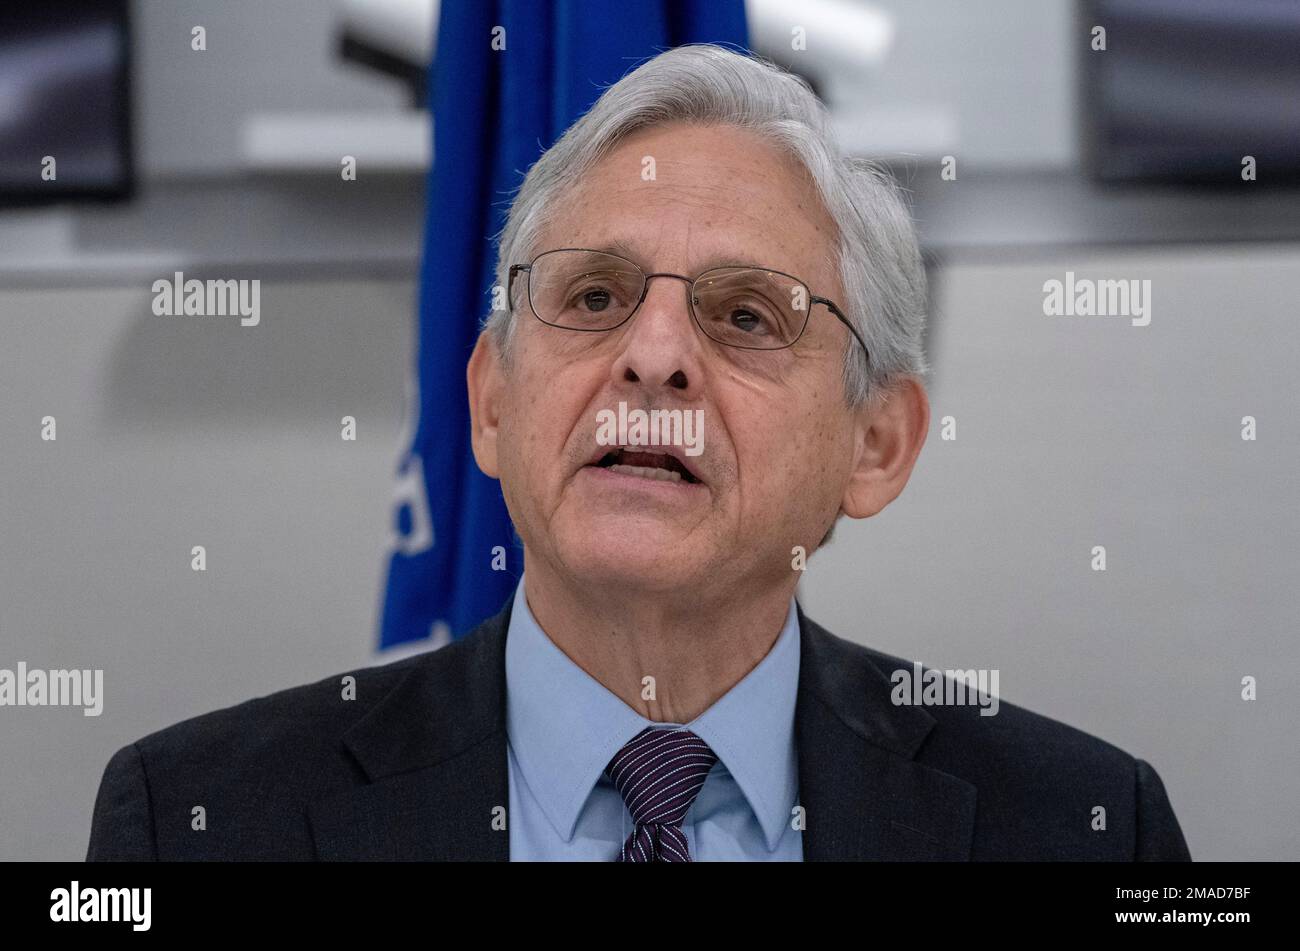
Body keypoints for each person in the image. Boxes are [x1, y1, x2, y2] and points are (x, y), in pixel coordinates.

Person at [87, 44, 1190, 862]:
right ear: (489, 406)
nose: (653, 356)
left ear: (877, 442)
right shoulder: (197, 824)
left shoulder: (1085, 829)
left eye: (747, 316)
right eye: (595, 296)